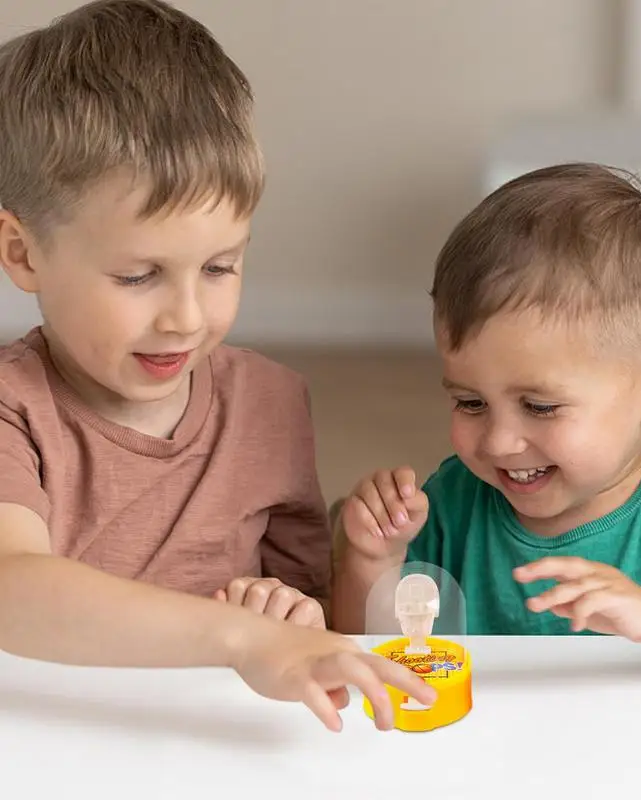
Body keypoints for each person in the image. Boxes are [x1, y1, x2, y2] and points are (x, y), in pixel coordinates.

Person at [0, 0, 435, 732]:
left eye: (220, 266)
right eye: (138, 276)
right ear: (22, 253)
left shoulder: (269, 402)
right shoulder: (15, 406)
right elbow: (13, 589)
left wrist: (291, 611)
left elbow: (311, 622)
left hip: (213, 741)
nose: (187, 317)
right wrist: (241, 638)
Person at [332, 162, 641, 672]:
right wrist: (373, 561)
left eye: (540, 407)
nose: (499, 442)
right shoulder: (454, 499)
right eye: (471, 403)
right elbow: (371, 656)